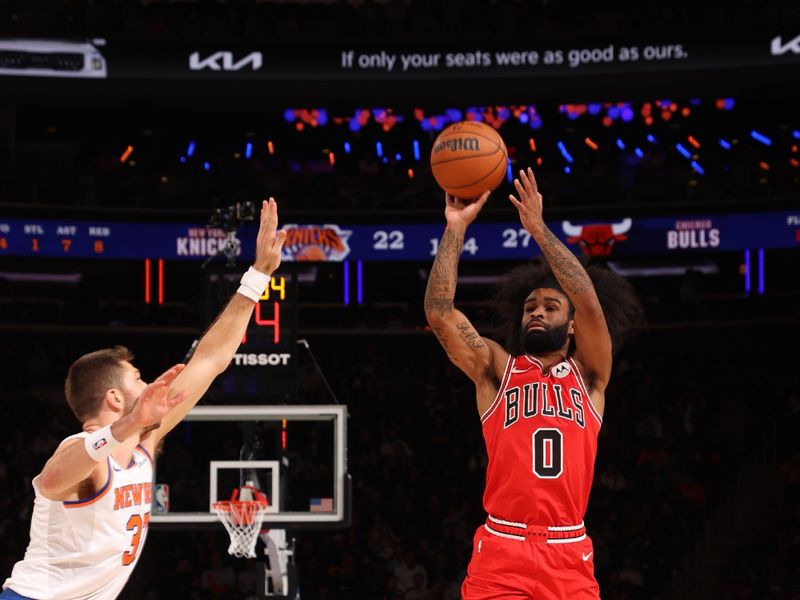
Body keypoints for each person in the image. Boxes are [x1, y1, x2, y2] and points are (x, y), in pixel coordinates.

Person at [1, 198, 288, 600]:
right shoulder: (83, 451)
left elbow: (209, 359)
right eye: (138, 379)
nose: (149, 385)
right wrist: (127, 426)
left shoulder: (143, 442)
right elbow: (51, 480)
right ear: (115, 398)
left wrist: (256, 277)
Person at [424, 169, 642, 599]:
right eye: (530, 307)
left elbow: (591, 305)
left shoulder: (591, 376)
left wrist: (539, 231)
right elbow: (439, 312)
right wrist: (454, 229)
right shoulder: (496, 369)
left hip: (568, 549)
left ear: (573, 325)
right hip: (502, 547)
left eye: (550, 305)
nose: (537, 312)